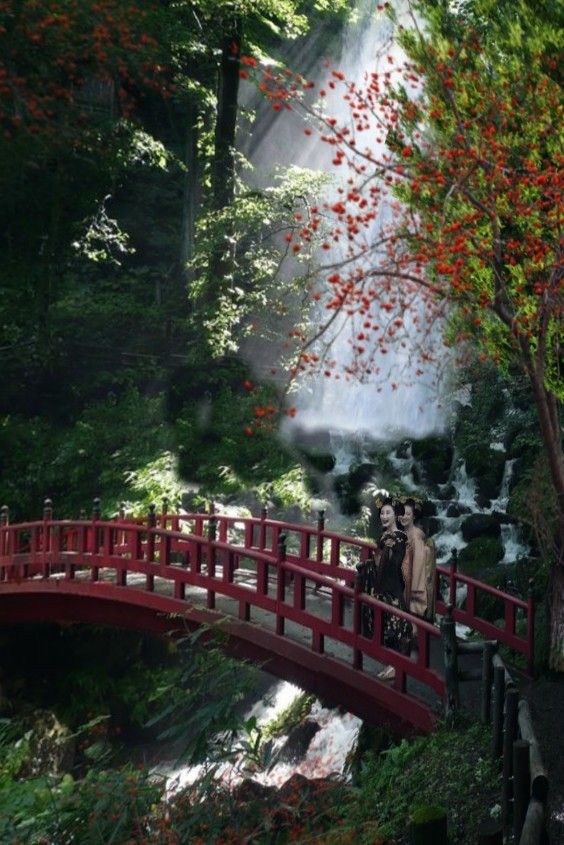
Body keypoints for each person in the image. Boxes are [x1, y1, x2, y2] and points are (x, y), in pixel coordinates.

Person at [372, 499, 413, 681]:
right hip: (384, 586)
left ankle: (397, 667)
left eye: (388, 513)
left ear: (395, 515)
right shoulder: (384, 536)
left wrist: (389, 548)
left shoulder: (400, 537)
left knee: (396, 628)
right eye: (382, 513)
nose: (384, 516)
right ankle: (392, 666)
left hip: (395, 587)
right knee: (386, 628)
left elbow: (397, 563)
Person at [400, 498, 436, 622]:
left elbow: (419, 574)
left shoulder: (416, 538)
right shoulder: (406, 535)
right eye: (402, 513)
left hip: (414, 596)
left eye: (407, 514)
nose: (403, 517)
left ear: (414, 517)